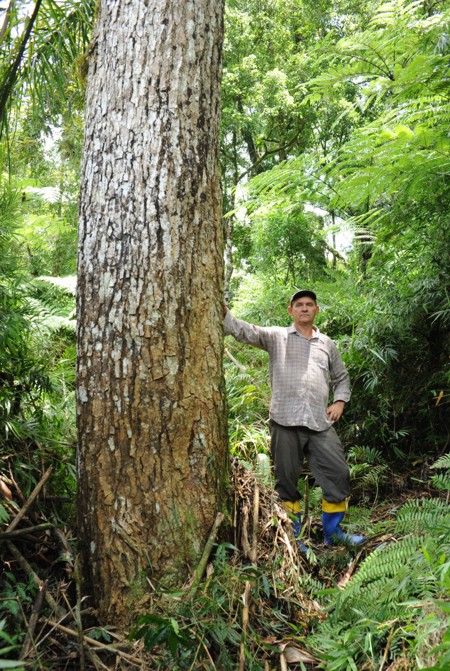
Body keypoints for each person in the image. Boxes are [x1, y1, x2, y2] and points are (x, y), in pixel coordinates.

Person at [224, 289, 364, 550]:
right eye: (299, 304)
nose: (304, 308)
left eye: (309, 304)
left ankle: (332, 533)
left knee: (338, 472)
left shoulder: (327, 344)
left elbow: (341, 378)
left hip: (319, 423)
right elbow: (245, 331)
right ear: (290, 311)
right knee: (286, 482)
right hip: (284, 421)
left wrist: (340, 401)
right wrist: (223, 313)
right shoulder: (277, 337)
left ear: (316, 310)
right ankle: (294, 537)